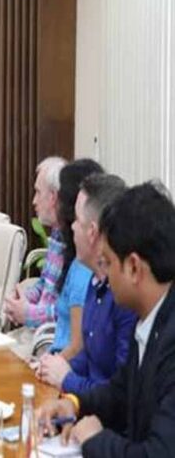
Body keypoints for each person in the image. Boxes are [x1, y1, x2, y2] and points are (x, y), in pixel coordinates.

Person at [37, 182, 175, 456]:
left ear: (133, 267)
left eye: (109, 263)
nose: (105, 275)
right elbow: (121, 392)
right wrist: (74, 404)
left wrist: (95, 440)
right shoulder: (150, 318)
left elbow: (158, 453)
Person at [37, 173, 136, 394]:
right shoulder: (96, 281)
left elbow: (120, 394)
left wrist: (67, 379)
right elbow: (88, 359)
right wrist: (55, 368)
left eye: (77, 220)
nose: (71, 227)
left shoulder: (124, 297)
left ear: (92, 232)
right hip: (81, 402)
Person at [46, 159, 104, 358]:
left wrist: (50, 365)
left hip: (63, 366)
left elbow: (77, 347)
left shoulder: (84, 269)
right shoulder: (76, 260)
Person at [4, 156, 67, 329]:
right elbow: (44, 283)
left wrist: (28, 313)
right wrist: (22, 300)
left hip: (48, 339)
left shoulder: (75, 245)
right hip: (36, 332)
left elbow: (67, 315)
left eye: (38, 193)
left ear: (53, 197)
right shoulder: (57, 234)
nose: (34, 201)